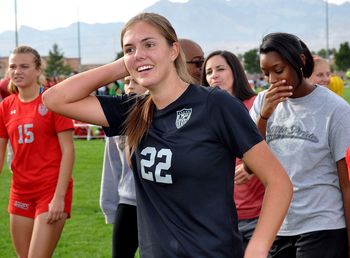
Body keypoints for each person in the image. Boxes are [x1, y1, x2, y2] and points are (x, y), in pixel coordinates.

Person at [43, 12, 292, 258]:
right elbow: (55, 98)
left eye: (150, 44)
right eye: (129, 48)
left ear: (174, 51)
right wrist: (131, 62)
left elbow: (279, 182)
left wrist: (258, 247)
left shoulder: (215, 105)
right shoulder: (133, 110)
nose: (139, 52)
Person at [250, 32, 350, 258]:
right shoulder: (262, 103)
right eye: (266, 74)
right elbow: (249, 163)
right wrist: (264, 117)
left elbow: (347, 184)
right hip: (278, 224)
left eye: (278, 70)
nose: (272, 81)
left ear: (301, 61)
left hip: (322, 225)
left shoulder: (335, 110)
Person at [0, 46, 75, 257]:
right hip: (20, 190)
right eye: (13, 67)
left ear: (38, 69)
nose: (17, 71)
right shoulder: (6, 106)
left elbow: (68, 151)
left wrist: (59, 197)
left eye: (24, 66)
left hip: (50, 191)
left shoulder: (53, 101)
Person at [202, 50, 265, 251]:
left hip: (259, 213)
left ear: (236, 71)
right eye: (209, 72)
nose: (214, 76)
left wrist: (250, 167)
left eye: (220, 69)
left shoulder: (256, 105)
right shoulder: (202, 113)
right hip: (221, 217)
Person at [100, 76, 146, 258]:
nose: (130, 86)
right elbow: (112, 167)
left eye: (136, 81)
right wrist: (109, 206)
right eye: (127, 81)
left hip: (159, 203)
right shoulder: (118, 120)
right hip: (129, 202)